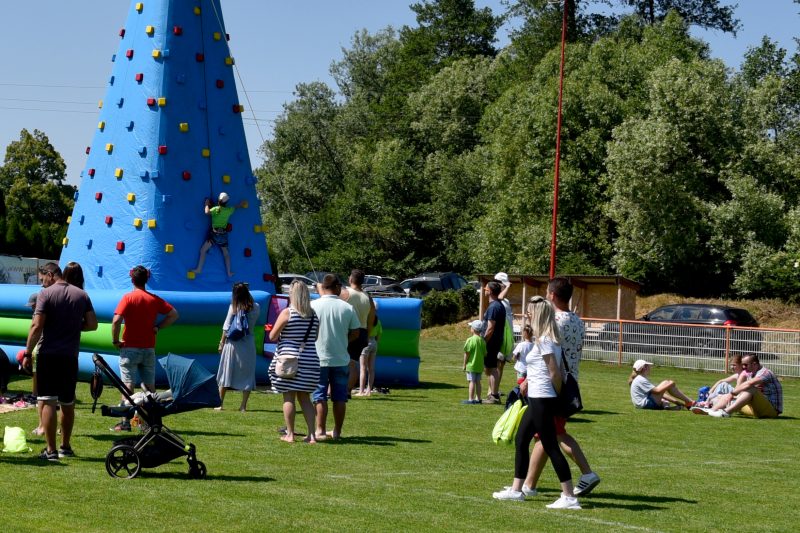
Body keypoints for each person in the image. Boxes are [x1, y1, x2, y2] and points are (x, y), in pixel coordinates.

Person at [493, 296, 580, 509]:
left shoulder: (546, 341)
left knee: (550, 445)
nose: (527, 316)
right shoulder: (541, 339)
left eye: (530, 313)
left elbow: (555, 374)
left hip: (543, 398)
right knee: (521, 439)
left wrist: (555, 399)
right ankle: (517, 490)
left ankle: (568, 497)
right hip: (536, 398)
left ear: (539, 315)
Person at [523, 278, 601, 497]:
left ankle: (587, 473)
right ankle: (528, 485)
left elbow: (548, 353)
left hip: (552, 383)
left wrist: (530, 379)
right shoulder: (577, 320)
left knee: (553, 433)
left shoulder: (554, 320)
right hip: (569, 380)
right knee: (545, 435)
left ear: (553, 295)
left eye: (548, 293)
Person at [23, 262, 98, 461]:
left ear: (50, 274)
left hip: (48, 354)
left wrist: (27, 353)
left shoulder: (46, 295)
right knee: (67, 402)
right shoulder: (82, 295)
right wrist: (73, 326)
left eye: (42, 279)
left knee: (47, 401)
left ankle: (51, 450)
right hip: (70, 356)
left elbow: (37, 326)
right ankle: (65, 446)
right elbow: (93, 324)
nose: (42, 284)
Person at [111, 265, 179, 430]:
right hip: (148, 347)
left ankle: (126, 422)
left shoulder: (128, 298)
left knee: (128, 385)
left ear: (132, 279)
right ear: (147, 279)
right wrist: (158, 327)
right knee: (149, 388)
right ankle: (148, 422)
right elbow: (174, 314)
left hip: (129, 348)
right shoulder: (154, 299)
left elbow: (116, 320)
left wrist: (115, 340)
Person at [268, 280, 320, 442]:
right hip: (310, 360)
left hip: (289, 360)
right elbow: (315, 337)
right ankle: (312, 435)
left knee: (288, 397)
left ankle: (290, 434)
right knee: (305, 397)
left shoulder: (287, 313)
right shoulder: (314, 315)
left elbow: (272, 336)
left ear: (292, 294)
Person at [311, 274, 360, 440]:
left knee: (319, 396)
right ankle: (337, 431)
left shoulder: (313, 305)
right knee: (340, 397)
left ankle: (320, 430)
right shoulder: (347, 307)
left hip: (318, 358)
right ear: (337, 287)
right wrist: (344, 339)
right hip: (340, 358)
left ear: (323, 287)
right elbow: (356, 332)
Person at [216, 282, 260, 412]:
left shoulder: (233, 307)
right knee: (247, 373)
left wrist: (221, 343)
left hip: (233, 344)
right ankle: (243, 405)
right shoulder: (256, 307)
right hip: (248, 342)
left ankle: (220, 403)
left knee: (226, 371)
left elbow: (226, 327)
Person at [702, 354, 783, 418]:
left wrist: (732, 394)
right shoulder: (751, 372)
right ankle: (710, 411)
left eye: (745, 365)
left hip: (771, 411)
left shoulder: (766, 373)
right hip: (755, 409)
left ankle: (726, 413)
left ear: (754, 364)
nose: (743, 367)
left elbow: (749, 384)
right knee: (721, 398)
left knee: (750, 388)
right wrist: (728, 396)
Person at [192, 192, 247, 278]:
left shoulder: (216, 209)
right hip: (223, 235)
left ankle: (199, 269)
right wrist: (241, 204)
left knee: (203, 250)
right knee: (226, 254)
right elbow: (235, 207)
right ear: (226, 202)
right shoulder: (229, 210)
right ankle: (229, 272)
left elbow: (206, 212)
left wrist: (206, 204)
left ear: (219, 200)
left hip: (215, 234)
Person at [342, 269, 374, 393]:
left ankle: (340, 390)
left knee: (342, 363)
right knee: (354, 363)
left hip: (349, 331)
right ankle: (348, 390)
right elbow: (371, 320)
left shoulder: (346, 293)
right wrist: (368, 335)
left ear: (350, 279)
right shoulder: (368, 297)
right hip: (363, 332)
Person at [628, 360, 695, 410]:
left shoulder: (640, 378)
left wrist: (676, 402)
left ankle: (674, 406)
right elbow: (657, 391)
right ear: (644, 368)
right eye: (648, 366)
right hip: (646, 404)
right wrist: (670, 383)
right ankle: (689, 402)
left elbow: (660, 393)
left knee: (665, 401)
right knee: (666, 382)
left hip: (643, 404)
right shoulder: (641, 379)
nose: (650, 368)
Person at [482, 281, 506, 404]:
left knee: (492, 368)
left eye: (486, 289)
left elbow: (490, 328)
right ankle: (492, 394)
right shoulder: (498, 305)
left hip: (491, 342)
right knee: (490, 368)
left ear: (490, 291)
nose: (484, 290)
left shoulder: (494, 307)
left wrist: (483, 341)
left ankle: (494, 396)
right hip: (494, 341)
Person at [494, 272, 515, 396]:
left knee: (501, 364)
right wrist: (507, 287)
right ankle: (492, 390)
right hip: (501, 336)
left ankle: (495, 389)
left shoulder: (505, 300)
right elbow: (500, 297)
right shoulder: (499, 298)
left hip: (506, 336)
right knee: (497, 363)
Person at [356, 305, 381, 396]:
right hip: (374, 342)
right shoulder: (378, 321)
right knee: (371, 369)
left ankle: (361, 391)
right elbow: (379, 335)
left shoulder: (365, 321)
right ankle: (369, 390)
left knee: (362, 368)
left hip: (366, 343)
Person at [462, 320, 486, 404]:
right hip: (479, 365)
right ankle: (479, 398)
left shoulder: (470, 340)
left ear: (473, 329)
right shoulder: (482, 341)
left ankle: (471, 399)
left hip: (471, 365)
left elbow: (467, 353)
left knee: (471, 382)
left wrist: (464, 364)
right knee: (478, 382)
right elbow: (485, 353)